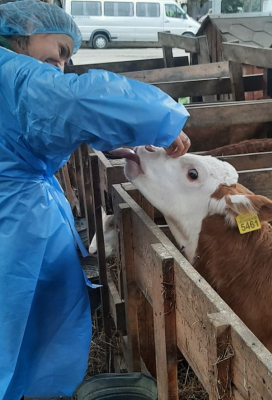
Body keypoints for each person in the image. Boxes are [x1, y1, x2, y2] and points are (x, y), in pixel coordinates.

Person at [0, 1, 191, 398]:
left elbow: (23, 133)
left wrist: (93, 139)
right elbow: (74, 100)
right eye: (60, 50)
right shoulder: (12, 72)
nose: (62, 63)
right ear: (21, 31)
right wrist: (161, 121)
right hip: (14, 229)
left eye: (68, 56)